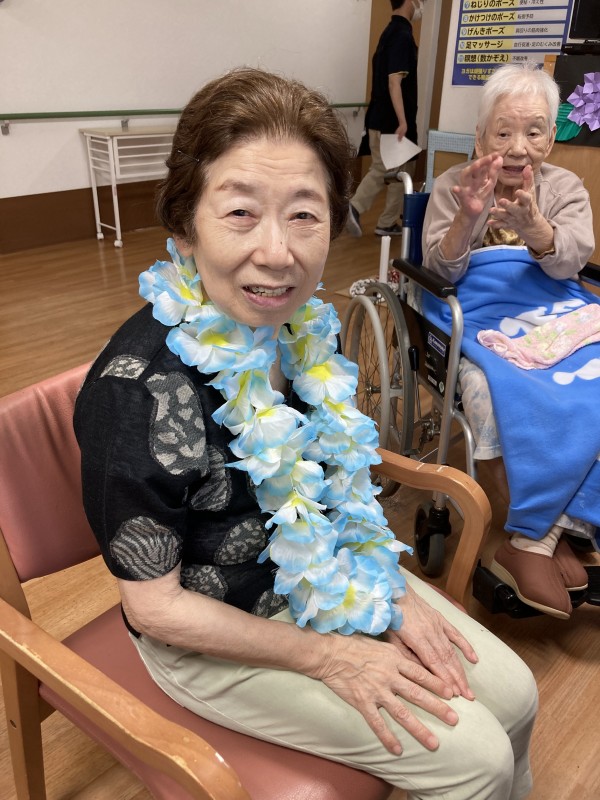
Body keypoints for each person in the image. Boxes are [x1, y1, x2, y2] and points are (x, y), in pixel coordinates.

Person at [75, 67, 538, 800]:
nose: (278, 252)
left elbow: (333, 483)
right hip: (212, 629)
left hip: (326, 574)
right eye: (240, 213)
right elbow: (155, 608)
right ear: (185, 228)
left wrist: (384, 586)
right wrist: (330, 657)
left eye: (303, 214)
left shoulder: (301, 332)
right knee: (474, 761)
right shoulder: (137, 394)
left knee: (518, 697)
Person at [422, 62, 595, 620]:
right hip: (481, 310)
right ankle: (549, 536)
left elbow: (573, 260)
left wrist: (537, 229)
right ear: (480, 138)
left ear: (551, 139)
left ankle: (541, 537)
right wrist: (467, 218)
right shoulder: (453, 185)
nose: (519, 147)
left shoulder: (565, 188)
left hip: (551, 307)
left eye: (534, 131)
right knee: (497, 385)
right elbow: (438, 272)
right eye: (504, 132)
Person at [346, 0, 423, 238]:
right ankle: (355, 207)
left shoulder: (389, 32)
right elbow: (394, 81)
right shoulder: (401, 36)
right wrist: (403, 121)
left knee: (401, 170)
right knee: (387, 169)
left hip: (379, 119)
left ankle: (387, 222)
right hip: (392, 123)